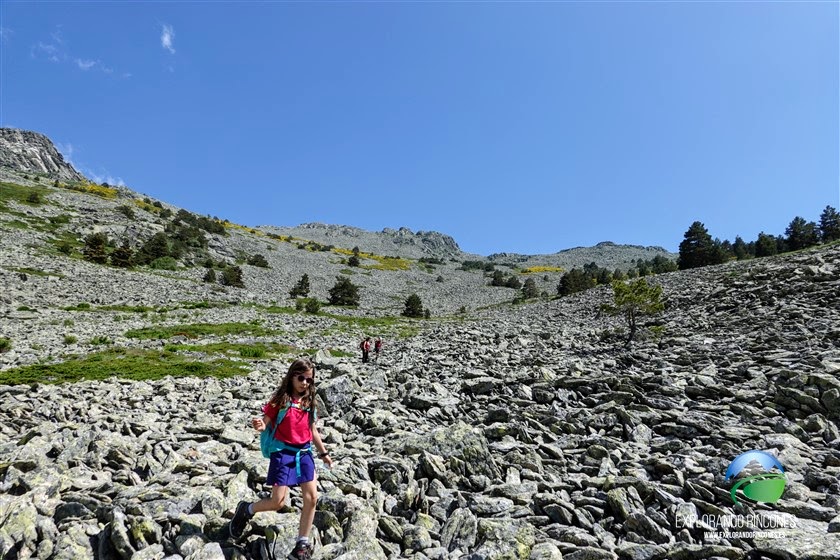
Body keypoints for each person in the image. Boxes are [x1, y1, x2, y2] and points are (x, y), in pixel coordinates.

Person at [230, 358, 334, 560]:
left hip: (304, 452)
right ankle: (247, 509)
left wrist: (324, 454)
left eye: (309, 380)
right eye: (301, 378)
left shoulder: (309, 402)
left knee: (312, 497)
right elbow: (265, 421)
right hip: (282, 452)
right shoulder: (281, 400)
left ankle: (302, 544)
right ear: (292, 376)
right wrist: (260, 425)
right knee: (278, 502)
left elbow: (312, 430)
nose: (305, 383)